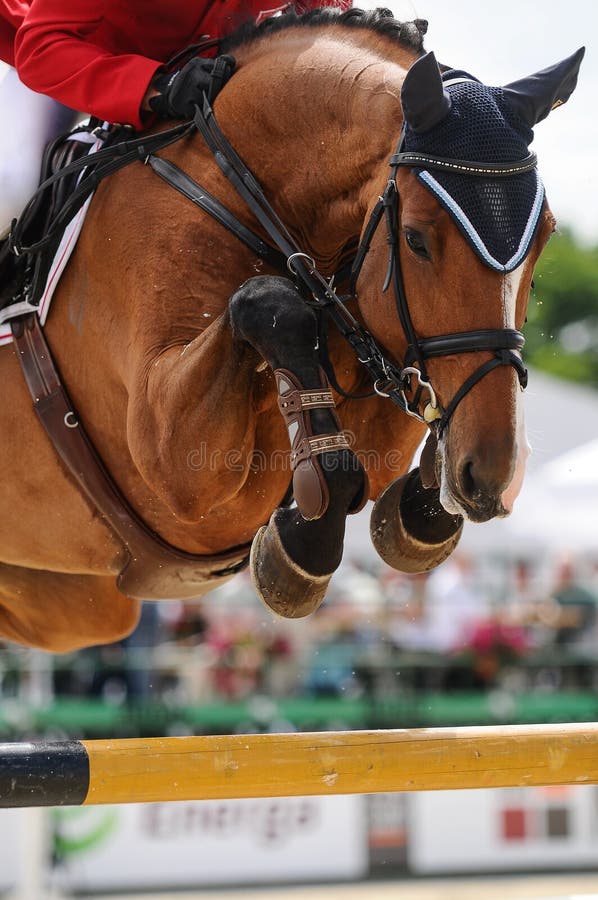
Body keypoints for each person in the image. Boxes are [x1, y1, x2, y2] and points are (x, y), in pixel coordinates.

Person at [0, 0, 350, 236]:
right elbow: (40, 47)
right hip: (67, 66)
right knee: (9, 190)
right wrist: (154, 88)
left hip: (197, 77)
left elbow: (326, 26)